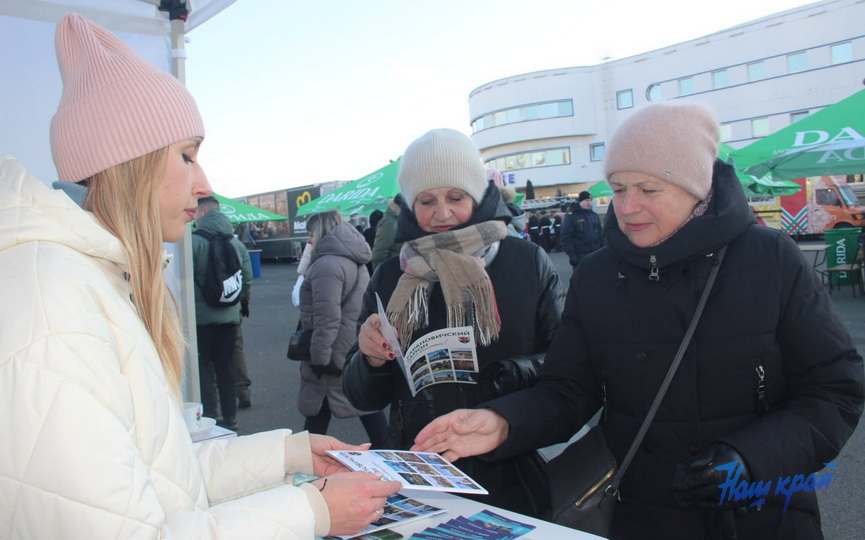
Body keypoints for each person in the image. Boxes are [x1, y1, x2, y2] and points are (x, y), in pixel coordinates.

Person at [0, 14, 400, 538]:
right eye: (186, 156)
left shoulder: (86, 281)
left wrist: (288, 452)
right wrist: (311, 511)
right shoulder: (54, 303)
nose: (203, 183)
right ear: (130, 162)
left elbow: (164, 477)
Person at [412, 103, 864, 539]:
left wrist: (751, 458)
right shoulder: (597, 274)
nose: (626, 208)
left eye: (648, 190)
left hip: (761, 512)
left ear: (696, 191)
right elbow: (568, 390)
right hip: (639, 513)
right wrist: (503, 422)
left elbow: (835, 389)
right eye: (619, 188)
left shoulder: (770, 259)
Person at [342, 128, 564, 517]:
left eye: (455, 197)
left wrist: (513, 375)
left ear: (477, 197)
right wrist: (370, 359)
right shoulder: (391, 275)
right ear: (410, 206)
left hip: (506, 469)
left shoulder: (526, 261)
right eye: (426, 201)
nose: (441, 214)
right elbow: (362, 398)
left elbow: (566, 367)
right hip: (416, 473)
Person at [299, 210, 390, 449]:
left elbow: (327, 317)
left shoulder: (327, 265)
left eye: (310, 234)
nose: (309, 240)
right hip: (349, 342)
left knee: (325, 405)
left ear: (320, 232)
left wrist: (319, 356)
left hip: (331, 349)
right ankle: (390, 450)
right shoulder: (352, 258)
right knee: (356, 401)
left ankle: (304, 462)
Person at [192, 195, 252, 430]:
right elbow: (246, 279)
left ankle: (211, 414)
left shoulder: (193, 243)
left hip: (200, 320)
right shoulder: (236, 244)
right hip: (229, 318)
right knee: (225, 367)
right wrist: (233, 300)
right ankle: (231, 417)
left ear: (204, 213)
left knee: (203, 367)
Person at [560, 190, 605, 270]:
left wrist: (603, 249)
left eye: (590, 201)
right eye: (587, 200)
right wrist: (572, 254)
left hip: (596, 254)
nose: (589, 203)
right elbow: (566, 237)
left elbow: (600, 234)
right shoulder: (572, 216)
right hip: (580, 256)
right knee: (582, 280)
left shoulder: (593, 216)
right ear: (580, 201)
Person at [370, 194, 403, 271]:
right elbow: (379, 254)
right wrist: (381, 277)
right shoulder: (389, 222)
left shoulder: (400, 220)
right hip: (393, 273)